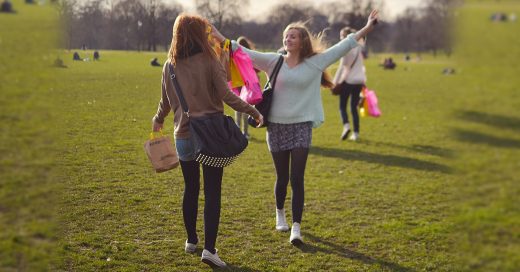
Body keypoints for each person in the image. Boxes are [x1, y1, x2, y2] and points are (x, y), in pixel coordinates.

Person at [212, 10, 379, 245]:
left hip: (301, 126)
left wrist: (368, 27)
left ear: (302, 42)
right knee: (282, 178)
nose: (287, 39)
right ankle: (280, 213)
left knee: (297, 177)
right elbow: (241, 51)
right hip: (276, 127)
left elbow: (344, 45)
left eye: (292, 36)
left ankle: (297, 228)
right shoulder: (273, 60)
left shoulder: (315, 62)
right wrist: (217, 34)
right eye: (286, 36)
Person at [151, 14, 263, 268]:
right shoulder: (209, 60)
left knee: (190, 188)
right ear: (200, 34)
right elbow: (227, 96)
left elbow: (165, 102)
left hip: (184, 137)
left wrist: (158, 120)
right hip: (210, 135)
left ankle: (191, 240)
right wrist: (253, 111)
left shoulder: (169, 65)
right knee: (213, 192)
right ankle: (210, 250)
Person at [332, 27, 367, 141]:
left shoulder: (345, 49)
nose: (340, 38)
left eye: (342, 35)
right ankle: (356, 133)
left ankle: (346, 126)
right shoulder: (359, 47)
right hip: (359, 81)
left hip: (348, 81)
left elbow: (342, 67)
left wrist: (334, 82)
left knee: (342, 106)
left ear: (347, 36)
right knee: (354, 107)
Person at [233, 36, 258, 139]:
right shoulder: (249, 55)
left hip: (239, 84)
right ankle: (245, 132)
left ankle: (238, 131)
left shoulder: (235, 55)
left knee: (238, 109)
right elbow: (256, 69)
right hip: (247, 85)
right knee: (245, 110)